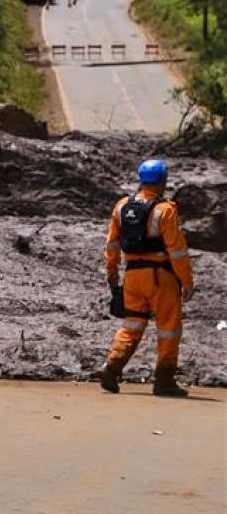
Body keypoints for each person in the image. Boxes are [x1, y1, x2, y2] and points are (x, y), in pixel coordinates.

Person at [101, 159, 195, 397]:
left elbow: (112, 244)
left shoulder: (122, 206)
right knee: (168, 328)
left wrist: (112, 273)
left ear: (141, 180)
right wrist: (186, 281)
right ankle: (164, 380)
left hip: (132, 276)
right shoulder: (166, 210)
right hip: (160, 277)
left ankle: (112, 367)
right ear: (163, 181)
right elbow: (177, 251)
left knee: (132, 325)